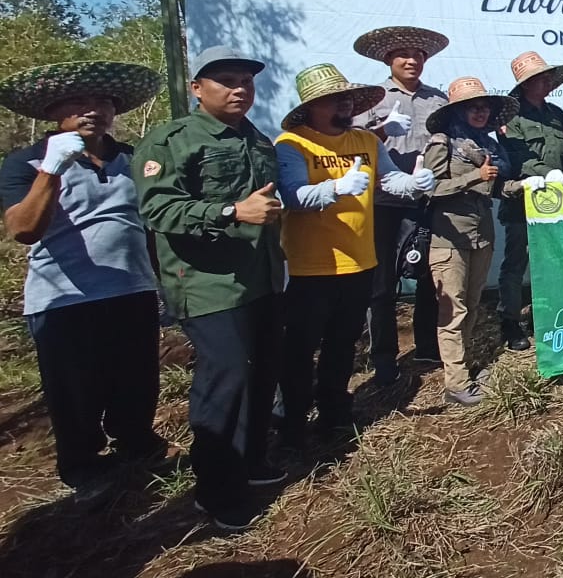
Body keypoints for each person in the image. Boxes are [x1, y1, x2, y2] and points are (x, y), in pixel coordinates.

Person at [134, 46, 286, 531]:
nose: (240, 88)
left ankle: (251, 462)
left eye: (246, 80)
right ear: (198, 88)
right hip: (206, 284)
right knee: (225, 379)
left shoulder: (257, 140)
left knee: (262, 372)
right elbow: (157, 209)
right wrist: (229, 212)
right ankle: (216, 492)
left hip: (259, 275)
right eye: (225, 80)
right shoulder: (172, 140)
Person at [0, 60, 166, 499]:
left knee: (137, 380)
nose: (94, 109)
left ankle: (137, 448)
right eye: (80, 102)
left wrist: (162, 281)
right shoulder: (27, 162)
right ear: (56, 110)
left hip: (132, 289)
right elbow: (23, 229)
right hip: (65, 297)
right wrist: (52, 169)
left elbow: (147, 223)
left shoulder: (130, 158)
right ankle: (82, 468)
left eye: (103, 101)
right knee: (75, 391)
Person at [272, 64, 435, 449]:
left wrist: (412, 184)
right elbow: (292, 196)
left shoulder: (366, 140)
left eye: (346, 99)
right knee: (300, 348)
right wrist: (336, 187)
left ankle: (334, 416)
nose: (343, 106)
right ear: (312, 107)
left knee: (342, 344)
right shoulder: (293, 144)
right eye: (333, 100)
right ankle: (291, 425)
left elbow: (388, 178)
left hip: (359, 261)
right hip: (311, 266)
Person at [351, 26, 450, 385]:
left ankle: (427, 346)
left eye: (418, 55)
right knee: (382, 283)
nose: (412, 60)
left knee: (428, 277)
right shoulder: (373, 100)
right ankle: (384, 359)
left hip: (426, 200)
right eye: (403, 54)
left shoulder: (438, 100)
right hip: (384, 201)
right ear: (388, 60)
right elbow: (355, 144)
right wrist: (382, 129)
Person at [423, 77, 519, 406]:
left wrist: (525, 186)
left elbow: (494, 188)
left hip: (482, 234)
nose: (480, 112)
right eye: (472, 107)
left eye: (484, 107)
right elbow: (430, 189)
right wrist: (472, 177)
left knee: (474, 305)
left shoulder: (485, 144)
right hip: (449, 236)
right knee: (453, 310)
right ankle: (456, 383)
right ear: (459, 110)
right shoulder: (441, 141)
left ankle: (464, 371)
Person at [498, 51, 563, 351]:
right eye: (538, 78)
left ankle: (547, 315)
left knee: (554, 262)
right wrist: (545, 173)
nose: (545, 82)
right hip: (522, 199)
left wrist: (562, 177)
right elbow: (514, 159)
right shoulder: (511, 118)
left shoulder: (557, 114)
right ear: (524, 85)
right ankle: (510, 321)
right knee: (517, 262)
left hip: (557, 200)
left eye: (547, 77)